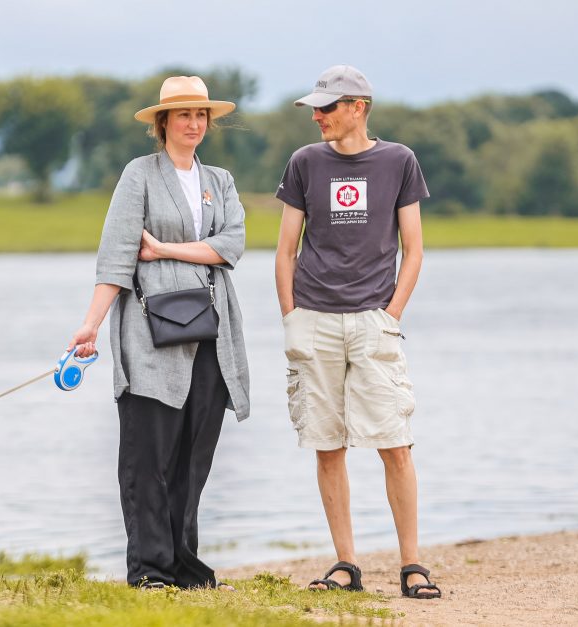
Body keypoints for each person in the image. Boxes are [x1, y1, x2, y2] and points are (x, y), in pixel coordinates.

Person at [67, 76, 249, 590]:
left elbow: (231, 245)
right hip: (149, 332)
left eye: (201, 115)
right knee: (148, 458)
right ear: (162, 122)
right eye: (183, 114)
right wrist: (91, 323)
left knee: (194, 456)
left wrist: (167, 249)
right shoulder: (139, 175)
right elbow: (118, 255)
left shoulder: (221, 179)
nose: (194, 123)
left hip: (213, 331)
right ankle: (149, 570)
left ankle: (185, 567)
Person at [274, 65, 442, 599]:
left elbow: (412, 249)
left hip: (373, 320)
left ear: (359, 106)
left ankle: (412, 565)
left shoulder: (399, 161)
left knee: (394, 443)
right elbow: (285, 251)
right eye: (315, 108)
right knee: (327, 446)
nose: (318, 116)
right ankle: (346, 564)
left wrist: (390, 315)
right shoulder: (305, 162)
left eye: (328, 106)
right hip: (314, 320)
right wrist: (291, 316)